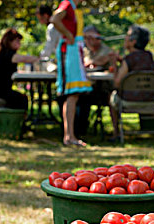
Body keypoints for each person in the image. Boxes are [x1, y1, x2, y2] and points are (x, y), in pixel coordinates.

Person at [50, 0, 92, 146]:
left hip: (74, 50)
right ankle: (69, 136)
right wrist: (68, 34)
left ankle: (70, 135)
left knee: (73, 95)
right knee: (71, 94)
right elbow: (55, 18)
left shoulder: (73, 7)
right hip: (69, 51)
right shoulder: (67, 4)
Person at [108, 25, 154, 142]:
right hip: (151, 101)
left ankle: (116, 133)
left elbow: (117, 83)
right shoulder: (149, 56)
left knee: (110, 97)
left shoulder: (128, 59)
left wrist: (114, 64)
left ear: (133, 41)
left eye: (128, 36)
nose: (125, 38)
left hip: (128, 101)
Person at [0, 29, 39, 110]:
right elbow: (24, 58)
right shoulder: (8, 54)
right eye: (17, 41)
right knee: (22, 99)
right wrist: (40, 58)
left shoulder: (2, 52)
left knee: (19, 98)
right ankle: (17, 121)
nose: (19, 43)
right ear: (9, 41)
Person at [75, 25, 113, 138]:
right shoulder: (85, 50)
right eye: (86, 38)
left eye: (91, 37)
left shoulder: (106, 50)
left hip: (103, 89)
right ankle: (76, 129)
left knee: (84, 97)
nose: (88, 41)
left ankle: (81, 130)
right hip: (87, 86)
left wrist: (92, 62)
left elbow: (102, 60)